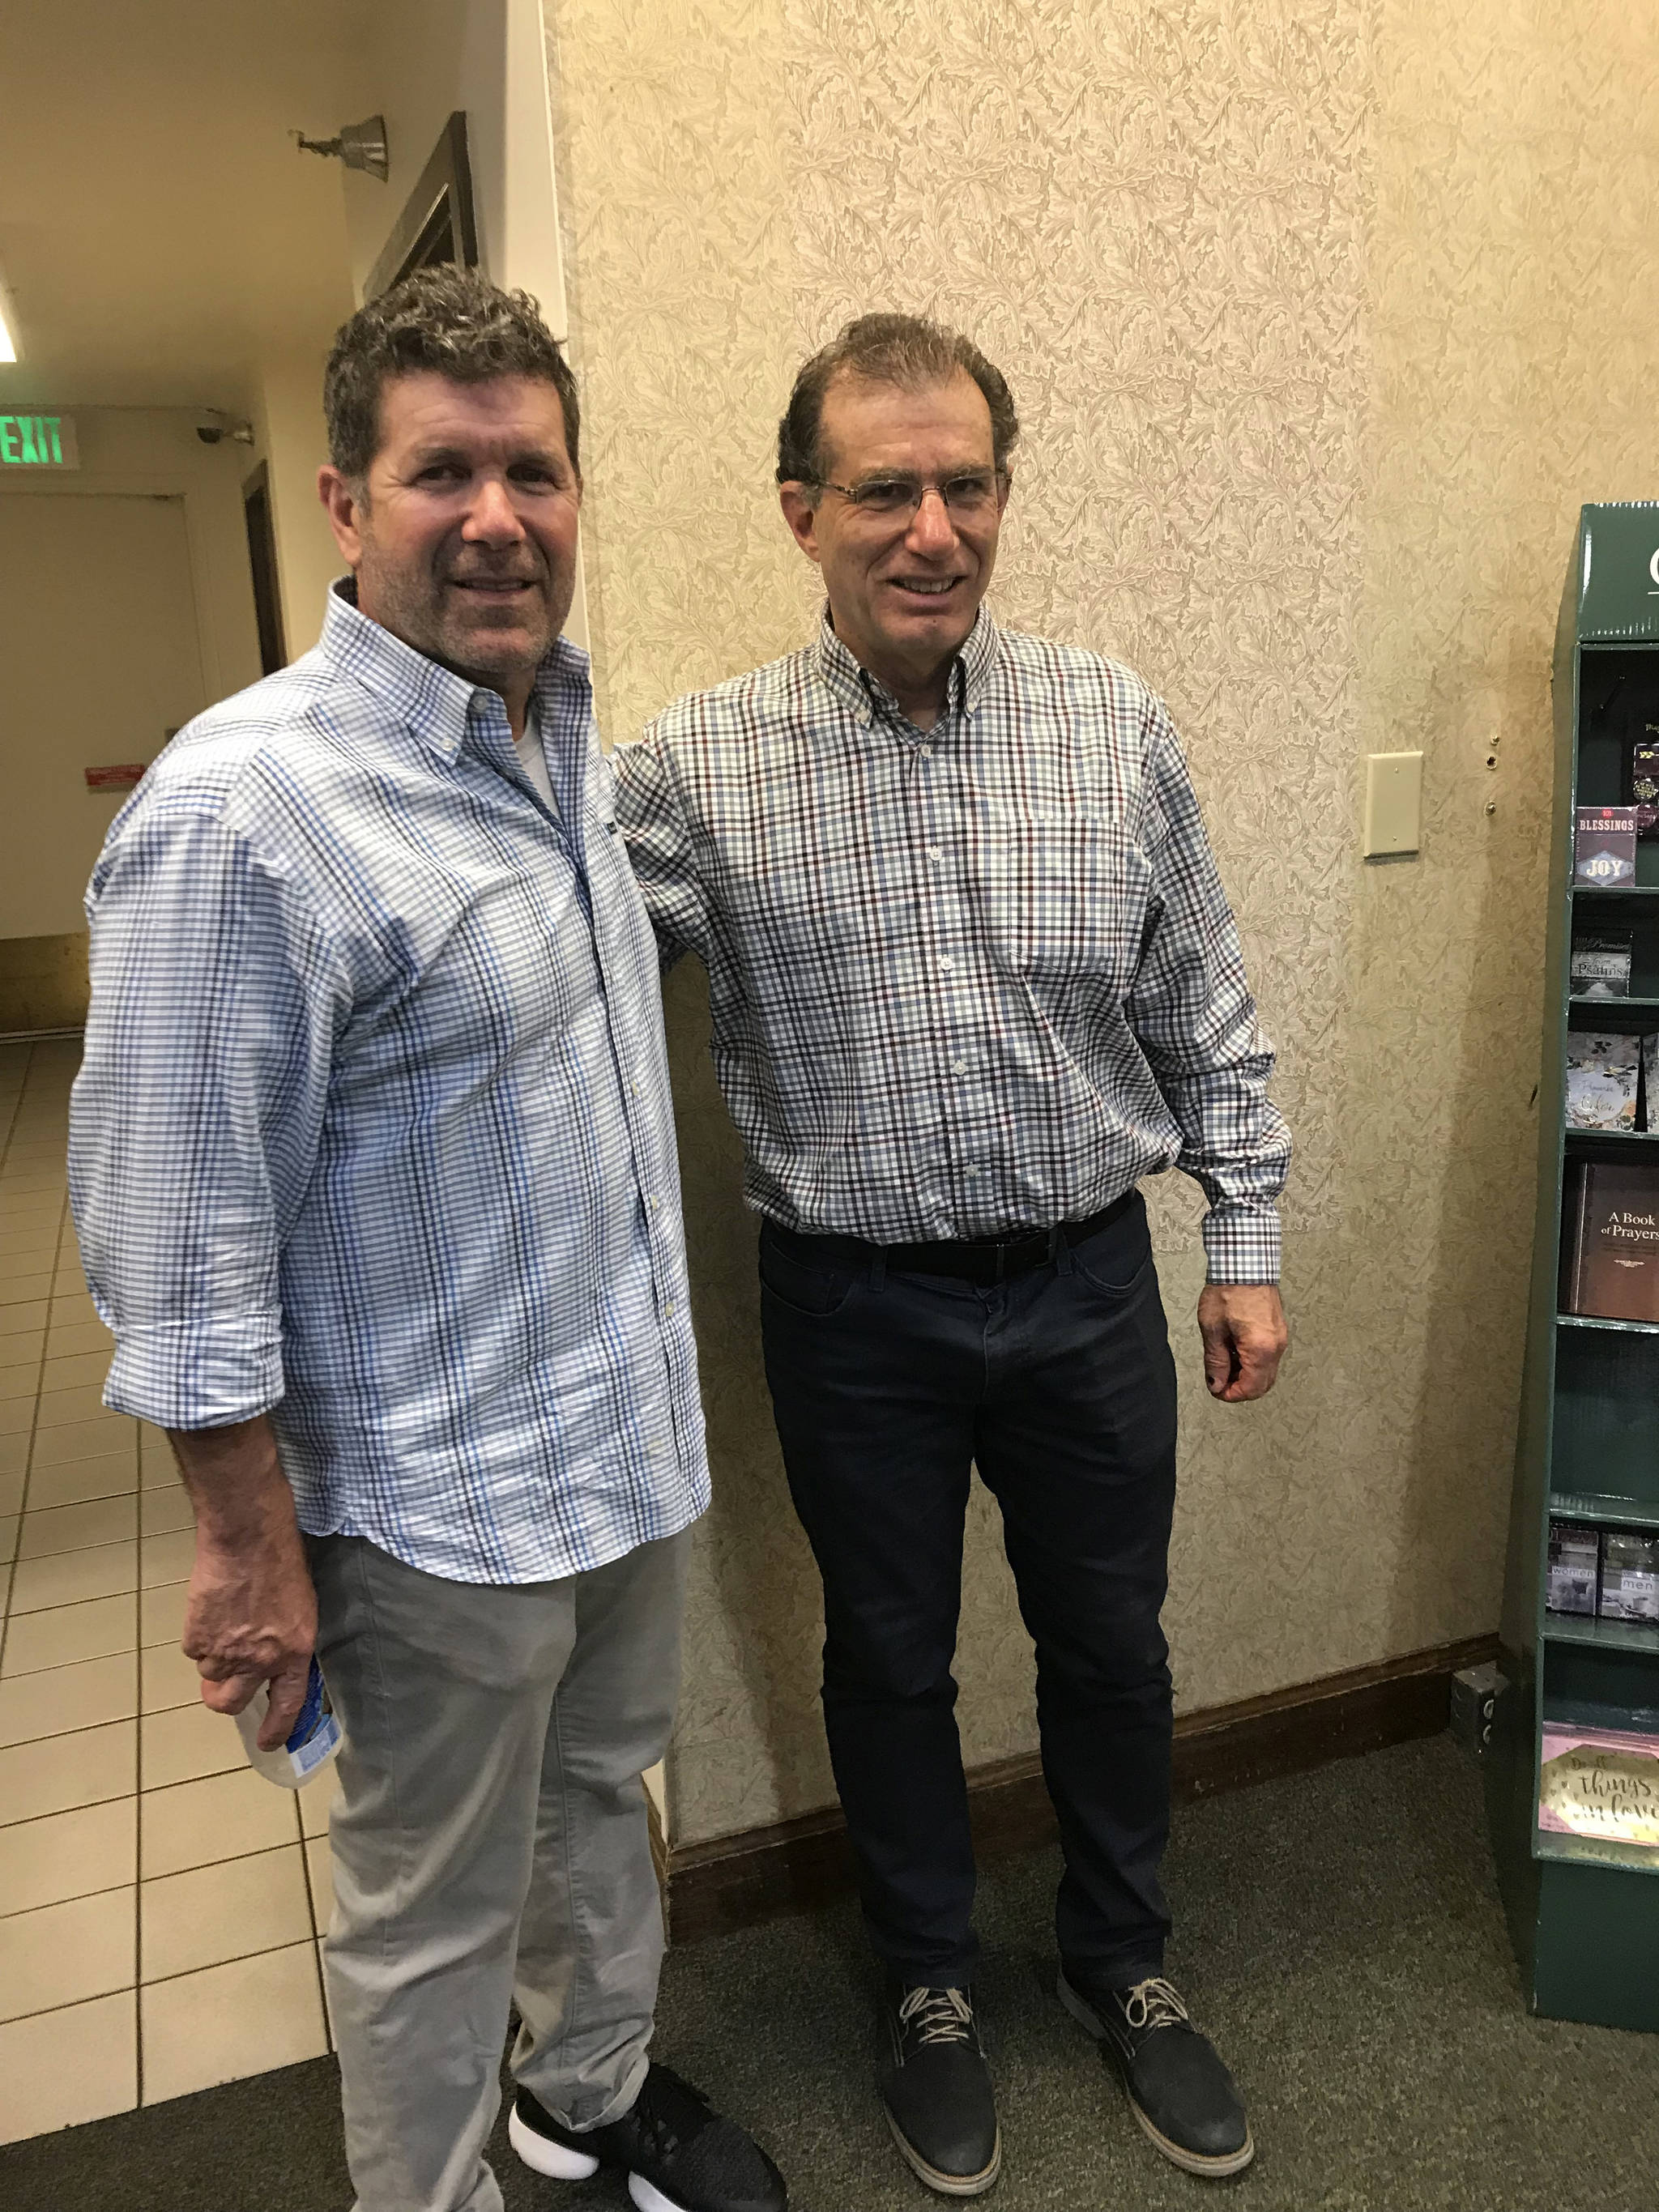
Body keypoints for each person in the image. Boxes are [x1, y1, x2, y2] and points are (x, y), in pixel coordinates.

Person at [68, 267, 787, 2212]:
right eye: (441, 472)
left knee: (596, 1801)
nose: (496, 516)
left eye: (533, 472)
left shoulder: (555, 730)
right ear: (344, 504)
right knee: (429, 1917)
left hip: (616, 1453)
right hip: (430, 1508)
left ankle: (594, 2093)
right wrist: (245, 1546)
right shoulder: (247, 813)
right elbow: (176, 1233)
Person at [612, 313, 1291, 2199]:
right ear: (801, 509)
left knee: (1111, 1641)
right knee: (890, 1659)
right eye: (885, 488)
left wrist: (1241, 1238)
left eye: (966, 483)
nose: (933, 526)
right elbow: (546, 985)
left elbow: (1203, 1006)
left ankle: (1121, 1962)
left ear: (1001, 494)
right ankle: (925, 1981)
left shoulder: (1111, 721)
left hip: (1086, 1284)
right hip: (852, 1308)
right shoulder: (697, 769)